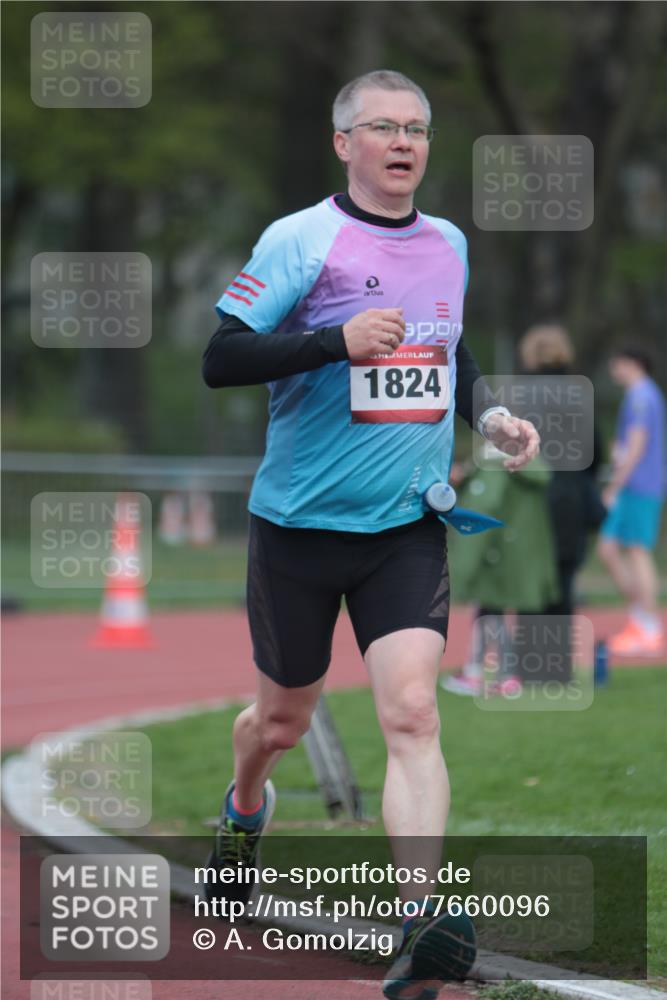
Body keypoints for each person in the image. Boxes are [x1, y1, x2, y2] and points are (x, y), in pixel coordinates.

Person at [202, 69, 539, 1000]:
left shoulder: (448, 243)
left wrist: (490, 415)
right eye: (383, 127)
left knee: (413, 713)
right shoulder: (300, 239)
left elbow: (447, 348)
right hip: (297, 529)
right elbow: (220, 358)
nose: (403, 142)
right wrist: (333, 341)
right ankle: (242, 811)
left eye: (417, 128)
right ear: (343, 143)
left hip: (405, 526)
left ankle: (420, 924)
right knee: (279, 722)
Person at [598, 345, 665, 656]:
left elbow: (638, 445)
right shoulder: (639, 396)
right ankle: (641, 616)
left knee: (637, 550)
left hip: (640, 485)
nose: (614, 371)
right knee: (608, 548)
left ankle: (648, 626)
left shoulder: (642, 395)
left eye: (618, 364)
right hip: (634, 485)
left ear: (633, 363)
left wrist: (614, 485)